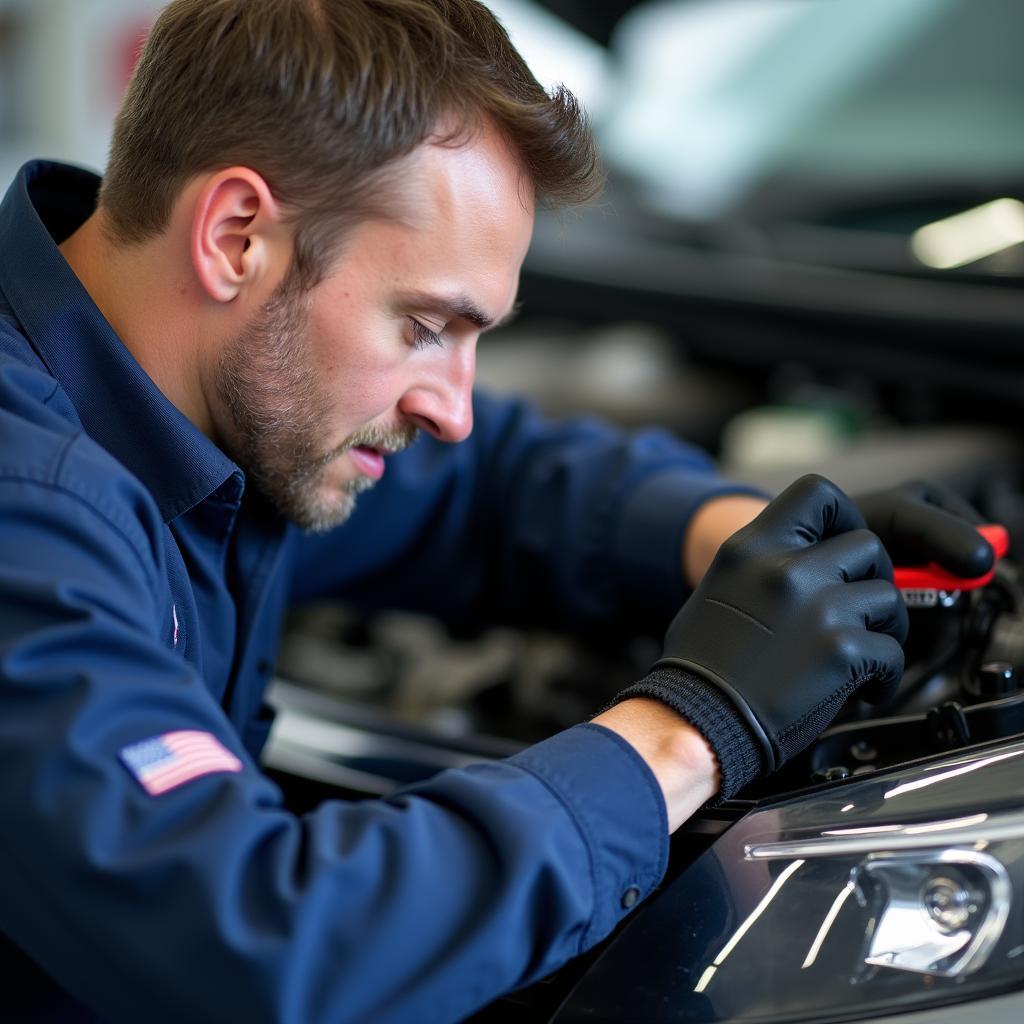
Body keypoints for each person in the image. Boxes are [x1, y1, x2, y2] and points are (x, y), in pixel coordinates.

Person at [0, 1, 994, 1021]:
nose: (455, 409)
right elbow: (262, 943)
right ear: (236, 235)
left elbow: (482, 489)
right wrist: (696, 727)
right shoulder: (27, 505)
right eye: (427, 326)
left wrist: (750, 535)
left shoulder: (202, 396)